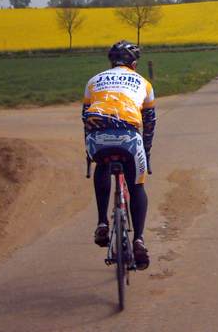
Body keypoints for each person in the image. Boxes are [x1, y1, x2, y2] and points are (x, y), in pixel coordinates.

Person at [83, 40, 156, 270]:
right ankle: (139, 240)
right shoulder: (144, 83)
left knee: (102, 166)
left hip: (97, 139)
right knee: (137, 187)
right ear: (134, 64)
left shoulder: (93, 81)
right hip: (129, 139)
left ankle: (102, 222)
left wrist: (89, 155)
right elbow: (150, 123)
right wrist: (147, 153)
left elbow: (85, 120)